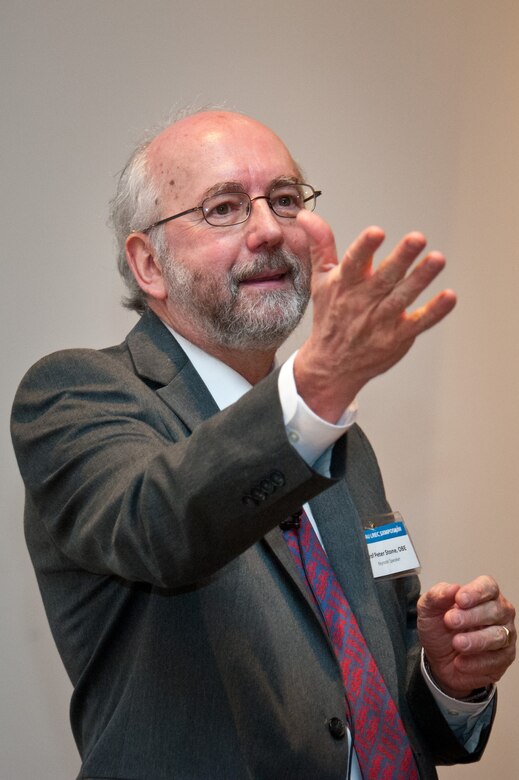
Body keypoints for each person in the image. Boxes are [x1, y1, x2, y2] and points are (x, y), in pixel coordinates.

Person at [11, 109, 515, 780]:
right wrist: (316, 388)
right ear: (147, 264)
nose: (269, 230)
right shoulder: (75, 393)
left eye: (284, 199)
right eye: (222, 207)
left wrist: (450, 683)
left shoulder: (341, 442)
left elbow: (370, 717)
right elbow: (159, 525)